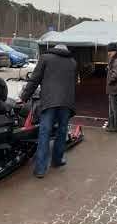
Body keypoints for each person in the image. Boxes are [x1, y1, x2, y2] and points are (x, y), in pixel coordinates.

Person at [19, 44, 77, 178]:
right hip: (66, 103)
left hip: (49, 102)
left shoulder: (45, 58)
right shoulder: (72, 62)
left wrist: (24, 97)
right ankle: (57, 160)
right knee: (62, 132)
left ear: (55, 49)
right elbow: (74, 84)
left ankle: (40, 169)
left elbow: (35, 79)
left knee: (44, 133)